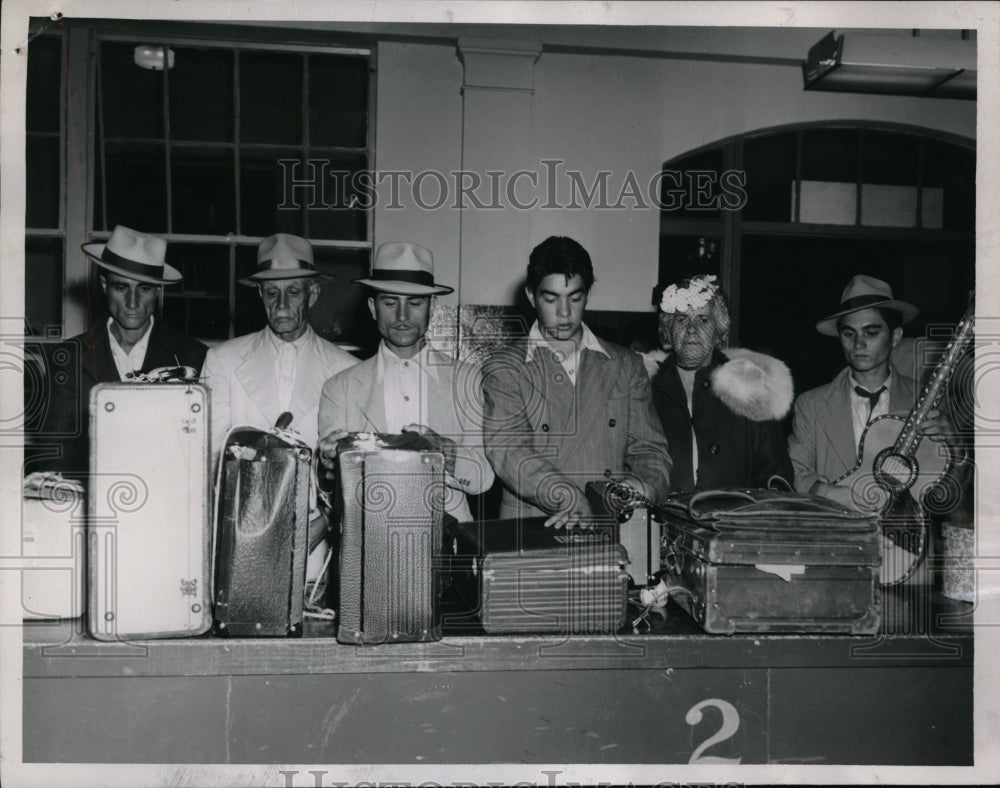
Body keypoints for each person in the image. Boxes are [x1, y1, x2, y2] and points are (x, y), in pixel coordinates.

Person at [481, 235, 672, 528]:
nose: (564, 312)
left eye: (575, 298)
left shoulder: (626, 365)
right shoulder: (505, 367)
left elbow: (650, 451)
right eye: (551, 299)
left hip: (611, 522)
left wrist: (643, 487)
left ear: (588, 294)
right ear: (531, 295)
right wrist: (566, 496)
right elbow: (508, 450)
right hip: (534, 525)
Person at [201, 233, 358, 577]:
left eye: (293, 292)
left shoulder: (347, 369)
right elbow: (212, 456)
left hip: (314, 542)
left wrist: (323, 525)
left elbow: (350, 470)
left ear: (313, 294)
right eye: (272, 293)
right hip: (239, 535)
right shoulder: (223, 360)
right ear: (260, 295)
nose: (282, 304)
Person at [316, 242, 494, 523]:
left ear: (433, 307)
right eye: (390, 303)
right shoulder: (340, 388)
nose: (402, 316)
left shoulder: (468, 379)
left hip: (448, 536)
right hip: (368, 535)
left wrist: (442, 451)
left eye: (415, 303)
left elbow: (483, 479)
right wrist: (327, 466)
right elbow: (330, 486)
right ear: (372, 307)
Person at [32, 225, 207, 473]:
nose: (132, 303)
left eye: (144, 289)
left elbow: (197, 451)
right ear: (104, 285)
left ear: (158, 291)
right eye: (121, 287)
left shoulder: (192, 356)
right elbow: (55, 454)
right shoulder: (68, 357)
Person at [788, 274, 951, 511]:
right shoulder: (810, 404)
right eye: (849, 334)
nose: (858, 344)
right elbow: (793, 472)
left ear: (895, 337)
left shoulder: (925, 401)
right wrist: (825, 492)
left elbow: (950, 488)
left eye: (871, 333)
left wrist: (953, 445)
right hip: (833, 527)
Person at [648, 274, 793, 491]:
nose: (692, 329)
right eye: (681, 320)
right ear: (668, 331)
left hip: (737, 512)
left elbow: (777, 478)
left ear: (719, 331)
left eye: (704, 320)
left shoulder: (751, 385)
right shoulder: (645, 387)